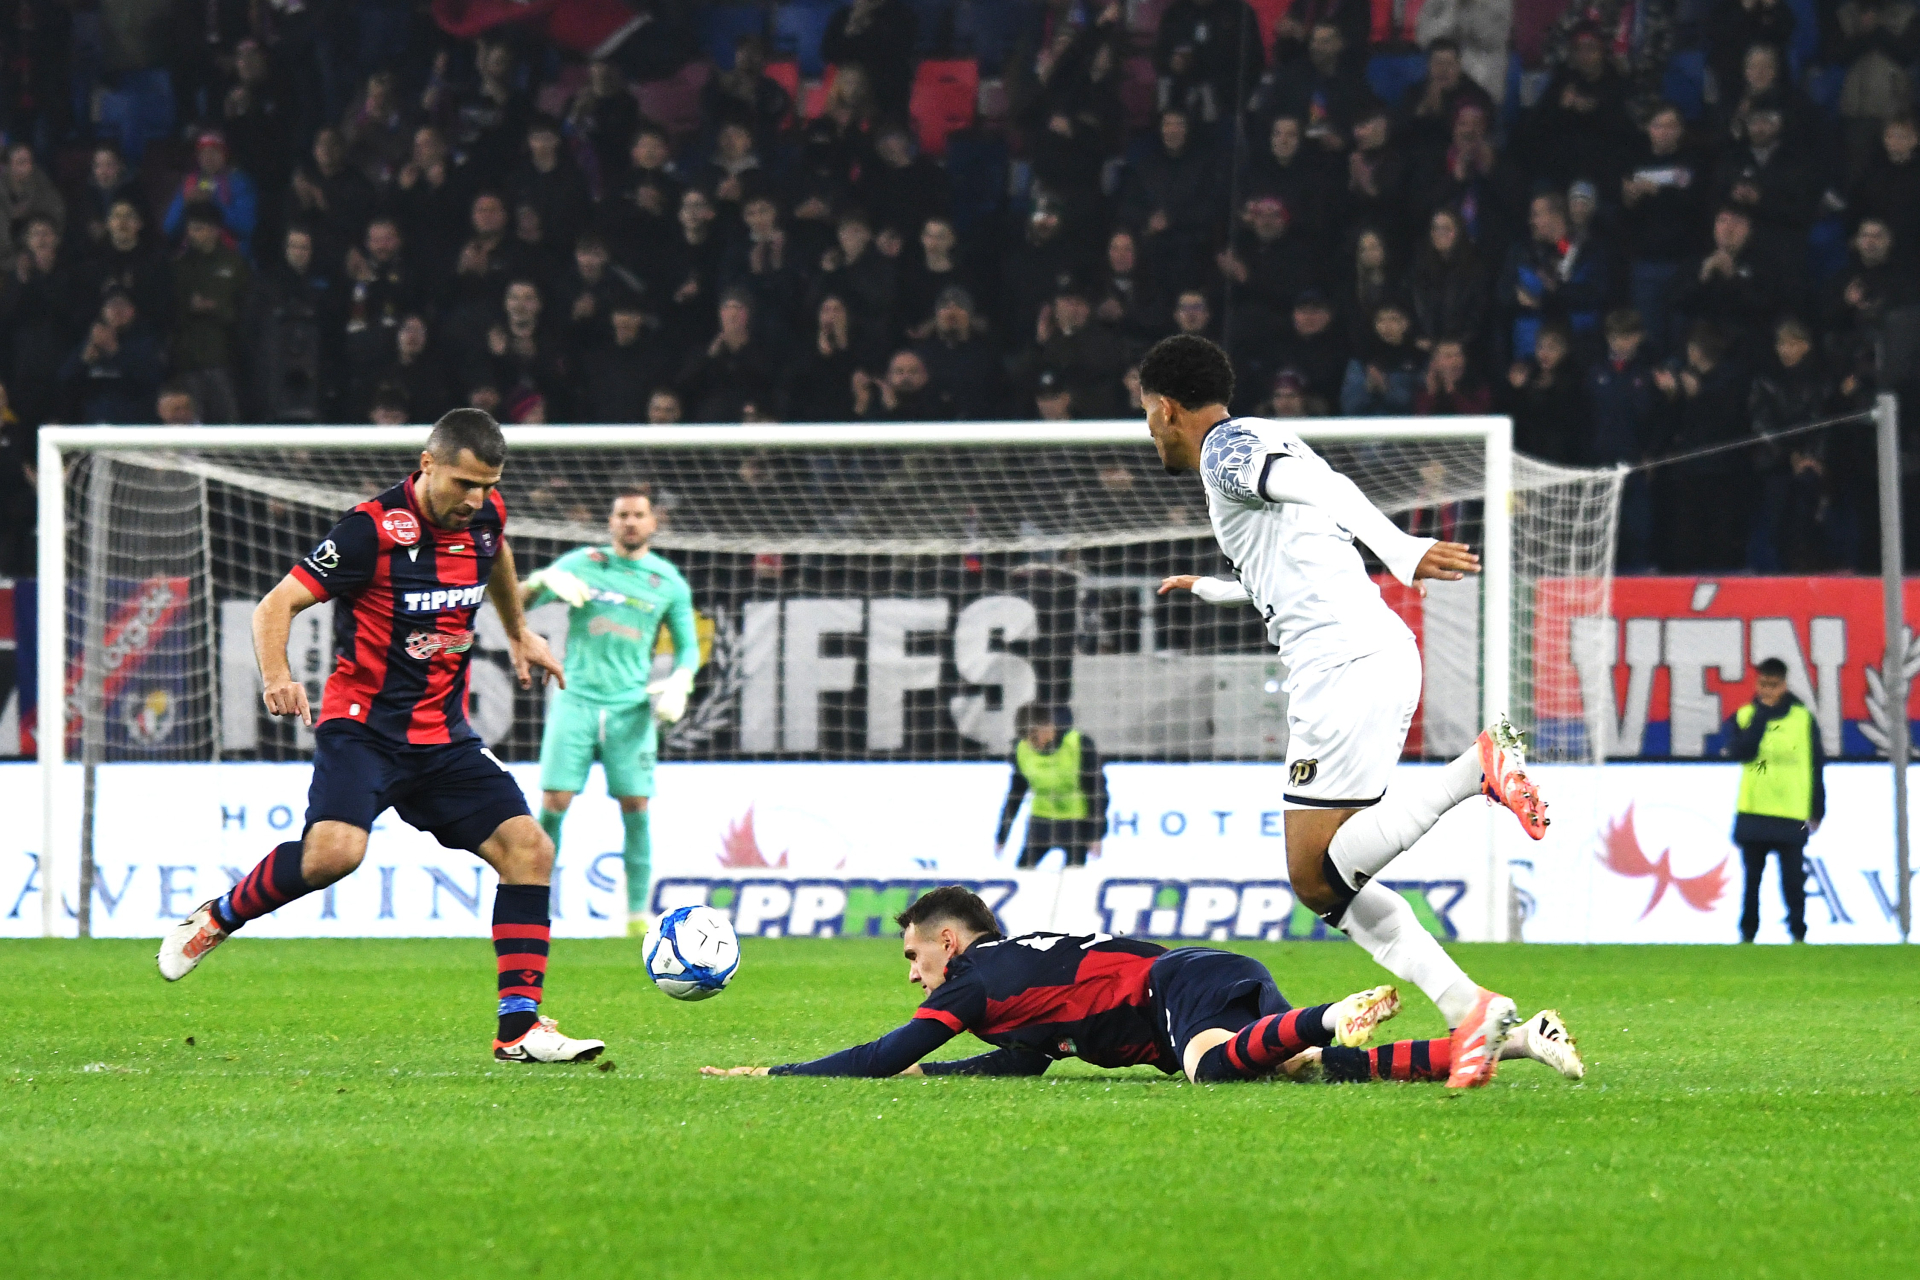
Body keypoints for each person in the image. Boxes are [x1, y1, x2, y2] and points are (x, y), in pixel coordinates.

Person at [1141, 334, 1547, 1089]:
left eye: (1146, 416)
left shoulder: (1226, 450)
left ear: (1166, 408)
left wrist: (1399, 548)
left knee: (1317, 876)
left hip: (1342, 669)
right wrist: (1216, 587)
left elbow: (1322, 490)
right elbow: (1298, 557)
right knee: (1329, 887)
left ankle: (1476, 768)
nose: (1150, 432)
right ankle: (1471, 1009)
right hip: (1365, 659)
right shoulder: (1258, 440)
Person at [156, 409, 604, 1066]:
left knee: (530, 850)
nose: (475, 500)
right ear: (427, 465)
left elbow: (497, 554)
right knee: (333, 855)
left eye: (487, 486)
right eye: (463, 483)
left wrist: (517, 632)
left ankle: (518, 1029)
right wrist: (277, 676)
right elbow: (275, 605)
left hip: (443, 735)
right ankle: (220, 916)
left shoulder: (485, 516)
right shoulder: (369, 531)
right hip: (362, 729)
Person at [699, 885, 1584, 1083]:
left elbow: (886, 1051)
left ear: (947, 941)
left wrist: (775, 1072)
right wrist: (934, 1075)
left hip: (1176, 987)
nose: (914, 973)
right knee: (1299, 1073)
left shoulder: (972, 979)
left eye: (912, 956)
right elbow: (1024, 1062)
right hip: (1209, 976)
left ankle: (1327, 1015)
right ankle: (1508, 1039)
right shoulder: (1020, 981)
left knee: (1212, 1070)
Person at [520, 490, 699, 937]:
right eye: (622, 515)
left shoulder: (668, 581)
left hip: (630, 707)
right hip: (575, 698)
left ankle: (636, 916)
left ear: (653, 522)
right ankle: (532, 904)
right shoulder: (583, 563)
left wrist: (681, 681)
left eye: (638, 515)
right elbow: (514, 604)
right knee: (554, 802)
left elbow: (689, 648)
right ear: (611, 521)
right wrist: (541, 581)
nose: (630, 522)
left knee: (636, 805)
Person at [1721, 657, 1825, 943]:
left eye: (1773, 685)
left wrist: (1818, 809)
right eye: (1763, 684)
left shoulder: (1803, 719)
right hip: (1754, 809)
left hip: (1792, 811)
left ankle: (1798, 932)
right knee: (1752, 880)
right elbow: (1742, 752)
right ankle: (1748, 932)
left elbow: (1816, 764)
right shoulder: (1745, 715)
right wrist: (1761, 717)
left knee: (1793, 880)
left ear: (1783, 685)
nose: (1767, 690)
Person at [993, 705, 1109, 869]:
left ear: (1048, 726)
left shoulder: (1078, 744)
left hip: (1076, 823)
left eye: (1035, 737)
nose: (1032, 745)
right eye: (1027, 740)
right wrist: (1002, 836)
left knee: (1073, 876)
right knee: (1023, 871)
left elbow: (1097, 791)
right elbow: (1015, 796)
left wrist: (1095, 834)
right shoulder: (1021, 749)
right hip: (1041, 822)